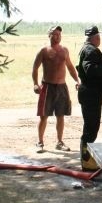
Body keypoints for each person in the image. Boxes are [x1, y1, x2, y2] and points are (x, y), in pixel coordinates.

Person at [32, 25, 79, 153]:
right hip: (47, 87)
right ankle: (40, 142)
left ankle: (59, 142)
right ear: (49, 35)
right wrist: (36, 84)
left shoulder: (65, 50)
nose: (57, 36)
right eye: (54, 34)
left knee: (60, 115)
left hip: (62, 87)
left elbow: (70, 67)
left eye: (59, 34)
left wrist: (77, 80)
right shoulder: (43, 50)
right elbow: (35, 68)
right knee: (44, 116)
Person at [77, 25, 102, 170]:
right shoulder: (90, 50)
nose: (99, 39)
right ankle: (87, 161)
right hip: (90, 94)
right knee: (91, 128)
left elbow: (92, 65)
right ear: (96, 38)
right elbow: (90, 69)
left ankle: (87, 159)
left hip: (90, 94)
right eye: (98, 37)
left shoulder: (87, 48)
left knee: (91, 127)